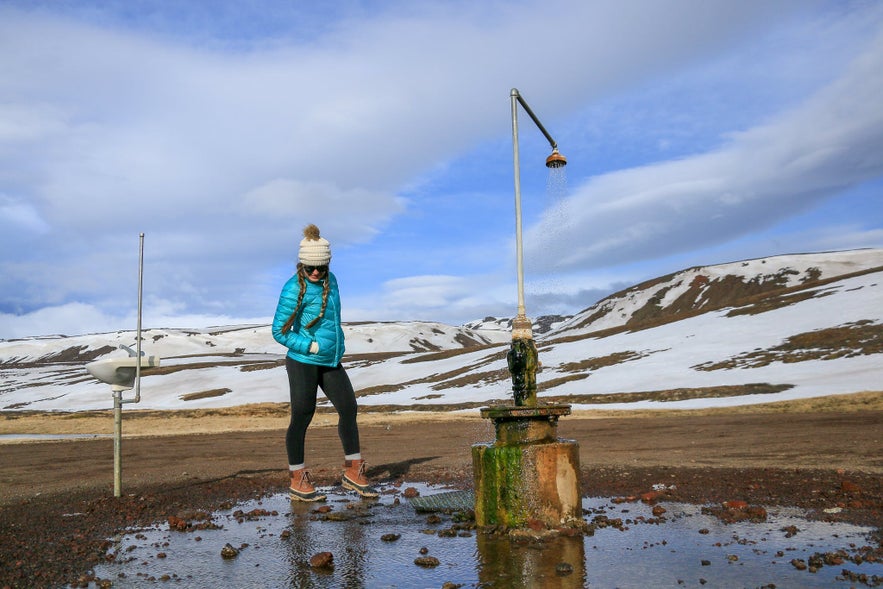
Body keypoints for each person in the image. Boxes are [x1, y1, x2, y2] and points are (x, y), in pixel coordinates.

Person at [272, 224, 377, 501]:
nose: (316, 272)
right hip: (303, 360)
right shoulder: (294, 289)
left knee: (348, 407)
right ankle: (298, 478)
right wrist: (309, 344)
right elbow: (278, 331)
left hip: (330, 360)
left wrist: (336, 343)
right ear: (301, 265)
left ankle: (352, 471)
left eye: (320, 267)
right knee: (303, 415)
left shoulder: (333, 282)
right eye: (310, 268)